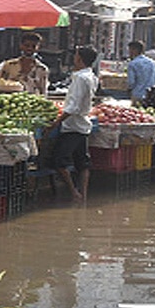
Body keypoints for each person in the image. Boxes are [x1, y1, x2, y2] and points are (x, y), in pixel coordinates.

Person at [47, 46, 99, 204]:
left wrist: (56, 122)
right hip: (83, 125)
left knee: (58, 161)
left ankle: (74, 192)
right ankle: (83, 194)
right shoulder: (91, 76)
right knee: (82, 163)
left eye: (75, 55)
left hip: (73, 126)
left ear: (79, 59)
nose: (74, 58)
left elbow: (73, 106)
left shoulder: (81, 78)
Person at [126, 40, 155, 104]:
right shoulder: (151, 62)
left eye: (130, 50)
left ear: (135, 50)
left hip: (137, 94)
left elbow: (131, 82)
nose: (129, 52)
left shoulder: (132, 64)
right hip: (150, 95)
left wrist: (129, 90)